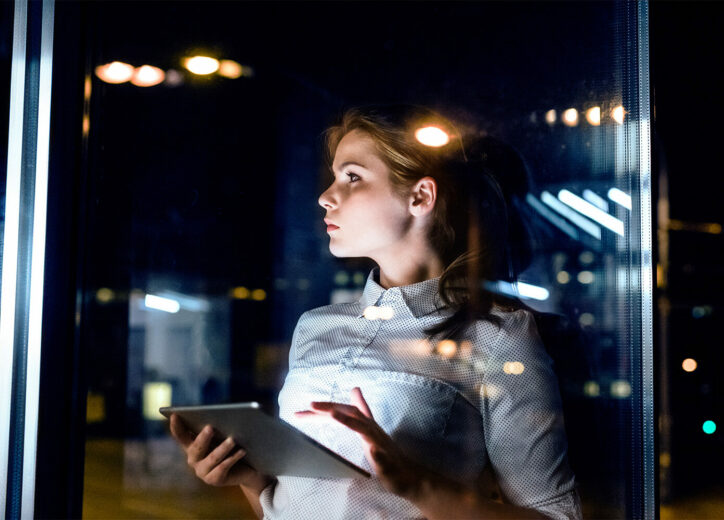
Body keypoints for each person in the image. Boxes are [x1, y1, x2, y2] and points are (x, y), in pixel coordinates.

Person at [169, 105, 582, 519]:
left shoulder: (498, 338)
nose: (325, 196)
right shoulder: (314, 327)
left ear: (420, 196)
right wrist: (249, 478)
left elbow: (556, 516)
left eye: (352, 177)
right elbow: (289, 506)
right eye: (334, 177)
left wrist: (417, 485)